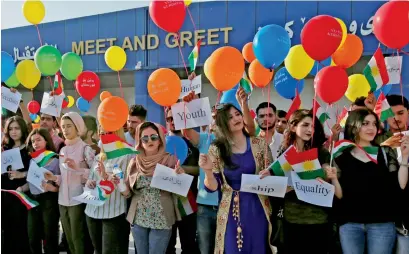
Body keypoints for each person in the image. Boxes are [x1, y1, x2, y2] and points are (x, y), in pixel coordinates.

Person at [329, 109, 408, 254]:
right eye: (365, 123)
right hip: (350, 224)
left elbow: (400, 185)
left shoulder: (384, 152)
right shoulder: (340, 154)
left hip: (382, 224)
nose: (371, 128)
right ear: (353, 126)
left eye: (374, 123)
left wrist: (405, 159)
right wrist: (333, 178)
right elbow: (339, 195)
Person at [199, 103, 275, 254]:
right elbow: (212, 187)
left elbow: (273, 173)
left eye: (237, 114)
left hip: (258, 207)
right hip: (230, 210)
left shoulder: (259, 144)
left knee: (258, 248)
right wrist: (207, 171)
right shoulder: (216, 148)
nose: (235, 118)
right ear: (222, 123)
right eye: (229, 117)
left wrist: (270, 173)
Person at [275, 109, 331, 254]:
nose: (309, 129)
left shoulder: (321, 152)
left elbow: (331, 179)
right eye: (305, 125)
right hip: (291, 220)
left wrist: (326, 173)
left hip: (318, 221)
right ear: (293, 127)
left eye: (312, 126)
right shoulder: (284, 152)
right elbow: (278, 181)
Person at [122, 122, 184, 254]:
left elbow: (179, 191)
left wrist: (180, 176)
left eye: (153, 137)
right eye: (145, 138)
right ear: (140, 141)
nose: (149, 140)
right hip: (138, 218)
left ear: (160, 139)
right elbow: (127, 193)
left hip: (162, 217)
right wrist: (118, 183)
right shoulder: (134, 162)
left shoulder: (170, 160)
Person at [44, 112, 95, 254]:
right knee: (69, 238)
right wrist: (53, 178)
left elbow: (95, 175)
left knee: (78, 237)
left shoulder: (86, 149)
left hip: (78, 199)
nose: (65, 130)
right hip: (62, 200)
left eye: (69, 126)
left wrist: (77, 168)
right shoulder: (63, 150)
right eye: (63, 127)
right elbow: (62, 177)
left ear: (77, 127)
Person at [84, 127, 132, 254]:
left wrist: (107, 177)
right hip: (92, 211)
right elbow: (91, 179)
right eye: (102, 133)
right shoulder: (98, 157)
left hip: (114, 213)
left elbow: (128, 190)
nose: (105, 137)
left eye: (109, 133)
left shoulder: (127, 155)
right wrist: (89, 182)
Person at [18, 128, 61, 254]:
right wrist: (21, 189)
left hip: (49, 201)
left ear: (46, 141)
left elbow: (61, 185)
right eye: (32, 141)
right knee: (33, 236)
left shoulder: (55, 159)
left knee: (49, 237)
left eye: (38, 140)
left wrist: (51, 188)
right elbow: (31, 182)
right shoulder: (32, 160)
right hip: (33, 200)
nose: (35, 143)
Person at [165, 107, 200, 254]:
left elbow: (201, 169)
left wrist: (184, 169)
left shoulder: (194, 143)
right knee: (167, 246)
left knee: (189, 245)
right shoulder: (160, 142)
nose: (172, 122)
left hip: (188, 200)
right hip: (166, 200)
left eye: (176, 118)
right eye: (169, 119)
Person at [1, 116, 31, 254]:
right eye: (11, 129)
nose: (13, 132)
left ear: (22, 129)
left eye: (17, 128)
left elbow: (37, 172)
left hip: (22, 195)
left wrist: (22, 174)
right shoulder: (4, 148)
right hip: (5, 194)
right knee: (7, 230)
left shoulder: (29, 149)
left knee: (21, 230)